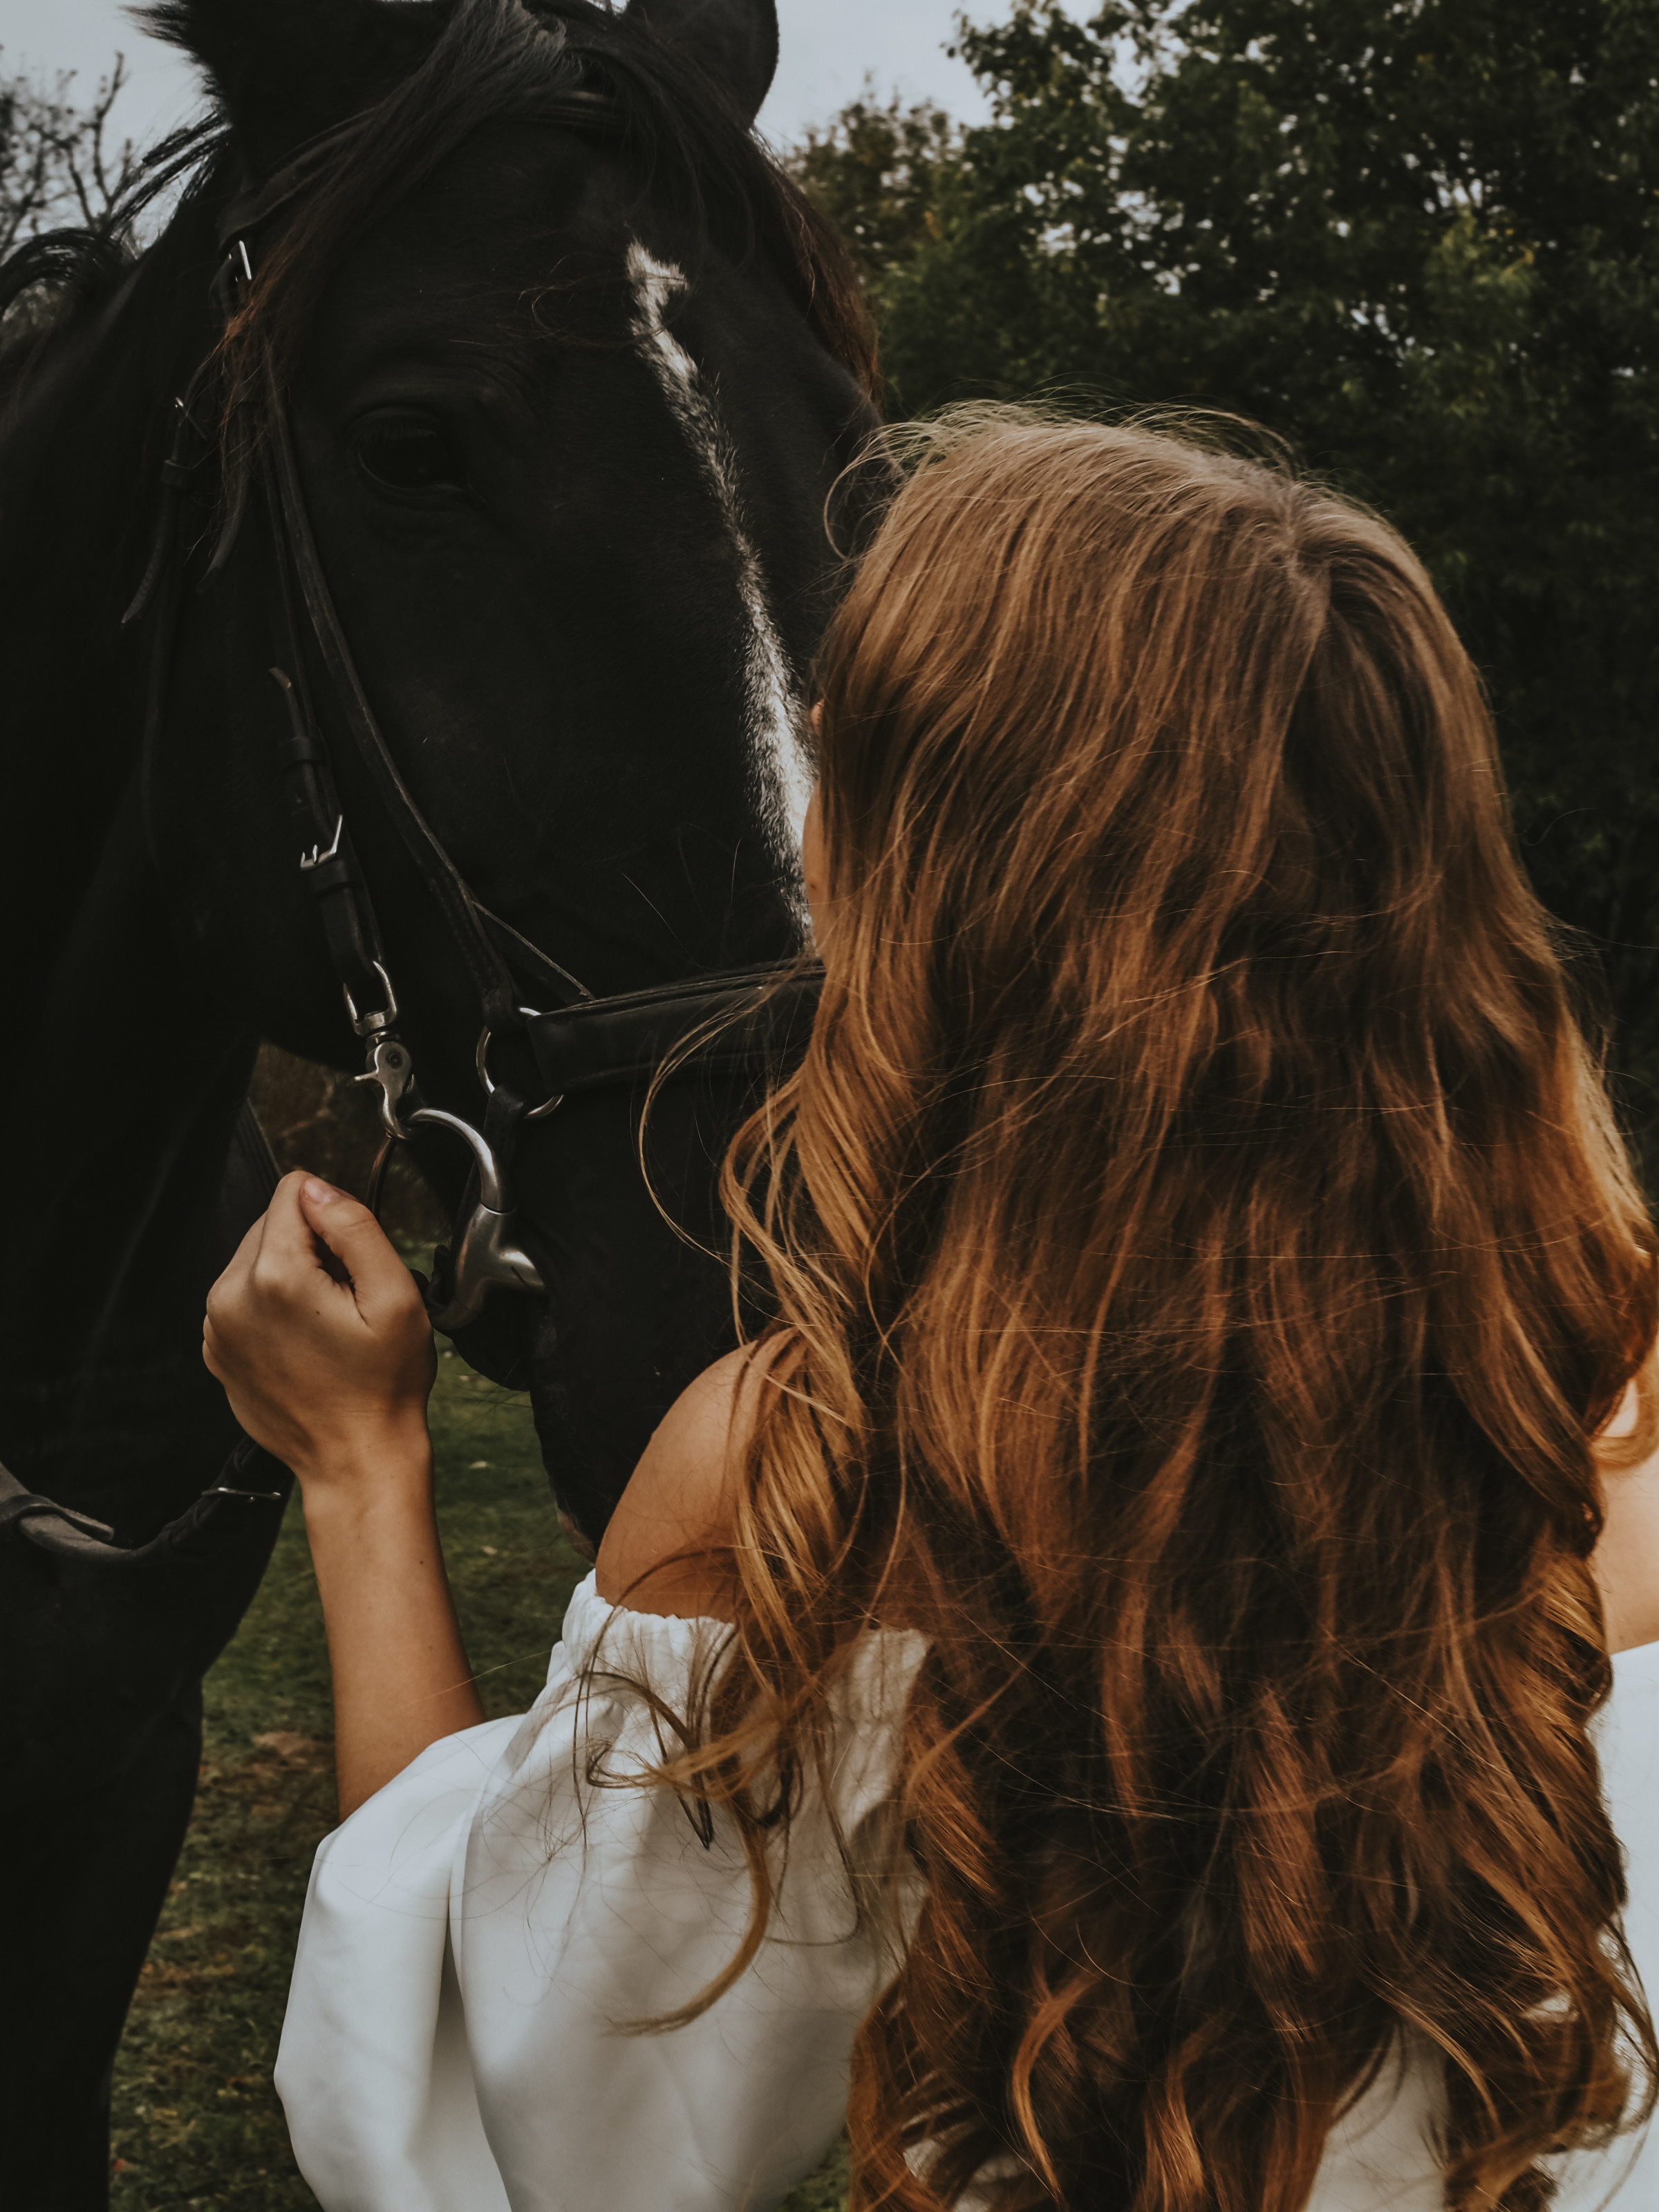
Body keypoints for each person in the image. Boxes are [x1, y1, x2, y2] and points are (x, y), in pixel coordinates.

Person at [204, 413, 1659, 2212]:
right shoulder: (1607, 1399)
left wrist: (358, 1468)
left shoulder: (812, 1481)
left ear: (947, 892)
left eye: (837, 764)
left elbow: (522, 2146)